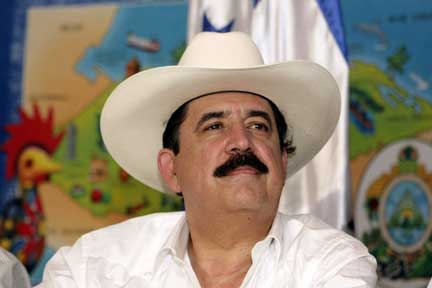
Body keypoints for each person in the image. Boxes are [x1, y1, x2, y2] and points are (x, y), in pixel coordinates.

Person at [36, 32, 377, 287]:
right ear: (172, 170)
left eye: (259, 126)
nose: (242, 141)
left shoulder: (330, 264)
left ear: (282, 161)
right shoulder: (92, 267)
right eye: (214, 126)